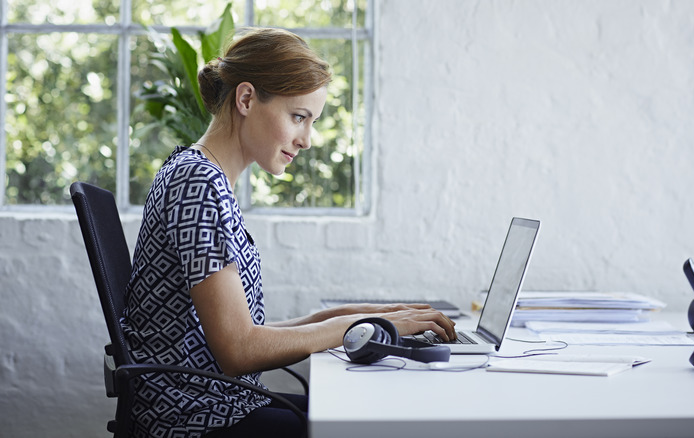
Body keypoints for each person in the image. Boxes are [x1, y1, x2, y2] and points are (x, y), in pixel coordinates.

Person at [123, 27, 456, 438]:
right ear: (246, 99)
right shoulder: (198, 184)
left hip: (221, 403)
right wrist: (368, 323)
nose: (308, 140)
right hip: (198, 419)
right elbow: (239, 350)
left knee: (376, 413)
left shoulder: (201, 175)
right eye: (299, 117)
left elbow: (244, 334)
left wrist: (374, 316)